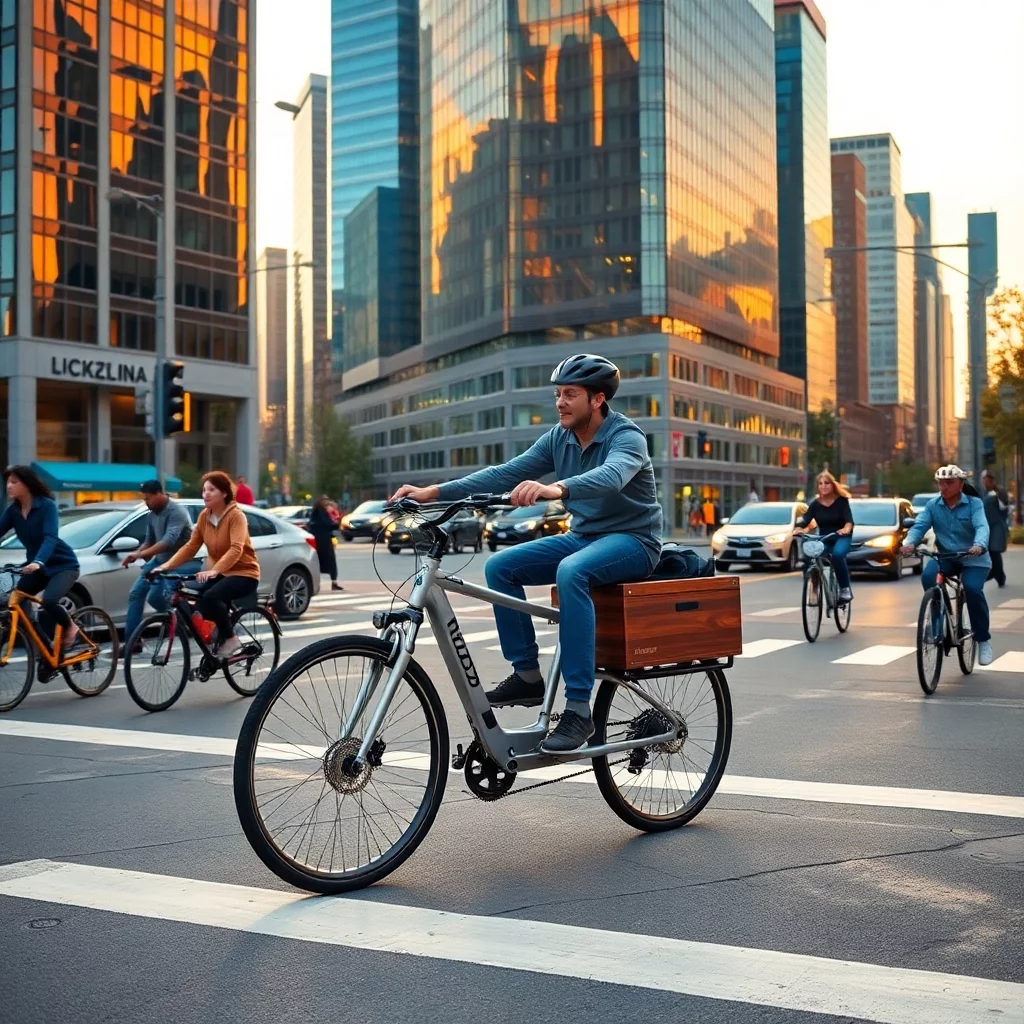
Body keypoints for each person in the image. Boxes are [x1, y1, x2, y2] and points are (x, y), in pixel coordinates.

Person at [390, 353, 662, 753]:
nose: (560, 402)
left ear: (598, 399)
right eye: (558, 394)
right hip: (585, 537)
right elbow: (505, 472)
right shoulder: (559, 437)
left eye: (570, 394)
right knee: (501, 566)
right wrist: (434, 493)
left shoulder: (627, 437)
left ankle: (577, 710)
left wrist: (557, 488)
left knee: (572, 572)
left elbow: (612, 475)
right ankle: (528, 674)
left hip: (634, 542)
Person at [153, 472, 259, 660]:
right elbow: (191, 546)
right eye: (204, 490)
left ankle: (231, 639)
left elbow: (236, 549)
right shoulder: (204, 516)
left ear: (224, 493)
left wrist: (214, 570)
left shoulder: (236, 516)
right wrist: (166, 566)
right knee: (198, 600)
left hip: (244, 573)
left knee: (210, 597)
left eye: (212, 490)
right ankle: (218, 636)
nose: (206, 494)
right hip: (220, 573)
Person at [900, 465, 993, 666]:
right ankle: (936, 624)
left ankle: (983, 639)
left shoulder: (974, 504)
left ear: (960, 484)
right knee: (928, 578)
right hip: (946, 556)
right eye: (940, 483)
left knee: (972, 589)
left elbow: (981, 526)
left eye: (949, 483)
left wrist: (979, 545)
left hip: (974, 558)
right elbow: (919, 526)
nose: (943, 487)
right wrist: (908, 543)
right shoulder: (933, 505)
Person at [0, 465, 82, 660]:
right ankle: (46, 651)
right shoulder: (14, 511)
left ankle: (70, 627)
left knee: (50, 601)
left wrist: (38, 561)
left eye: (14, 482)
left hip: (63, 565)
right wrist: (35, 563)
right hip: (36, 566)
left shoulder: (46, 506)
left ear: (27, 484)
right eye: (8, 483)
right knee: (18, 603)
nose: (8, 487)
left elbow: (50, 537)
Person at [121, 480, 202, 645]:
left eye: (148, 499)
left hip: (179, 562)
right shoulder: (152, 514)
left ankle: (188, 620)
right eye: (144, 499)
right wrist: (138, 554)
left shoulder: (177, 511)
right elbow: (149, 540)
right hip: (159, 561)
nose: (146, 503)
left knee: (155, 597)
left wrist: (142, 554)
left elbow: (168, 542)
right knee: (136, 593)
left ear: (159, 494)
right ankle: (133, 642)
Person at [793, 471, 855, 602]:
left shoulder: (842, 502)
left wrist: (846, 528)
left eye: (826, 483)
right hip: (824, 538)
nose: (823, 486)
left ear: (832, 485)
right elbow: (805, 518)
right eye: (820, 484)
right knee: (811, 555)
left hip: (841, 536)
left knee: (838, 556)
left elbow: (849, 520)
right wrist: (798, 527)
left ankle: (845, 589)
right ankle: (814, 589)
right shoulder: (815, 504)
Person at [308, 495, 343, 592]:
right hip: (320, 540)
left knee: (330, 562)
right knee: (319, 562)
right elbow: (326, 524)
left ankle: (334, 582)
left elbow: (330, 525)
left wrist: (336, 523)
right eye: (325, 501)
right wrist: (335, 524)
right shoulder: (318, 512)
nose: (327, 503)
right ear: (320, 502)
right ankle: (315, 584)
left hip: (325, 539)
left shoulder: (324, 512)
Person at [981, 470, 1009, 588]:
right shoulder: (986, 495)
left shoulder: (999, 493)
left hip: (997, 526)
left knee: (994, 551)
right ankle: (999, 576)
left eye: (986, 481)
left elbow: (1005, 508)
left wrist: (999, 496)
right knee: (993, 552)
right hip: (989, 527)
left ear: (992, 482)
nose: (985, 484)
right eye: (984, 481)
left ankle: (994, 575)